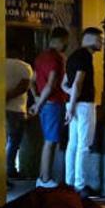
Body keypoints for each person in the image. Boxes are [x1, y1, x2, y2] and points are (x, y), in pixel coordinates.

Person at [62, 27, 103, 198]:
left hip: (73, 104)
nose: (102, 43)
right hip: (83, 105)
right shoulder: (85, 56)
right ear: (89, 39)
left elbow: (64, 84)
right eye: (100, 39)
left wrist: (71, 103)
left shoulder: (72, 56)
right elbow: (78, 83)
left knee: (73, 144)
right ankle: (80, 186)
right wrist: (72, 106)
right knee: (84, 146)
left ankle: (69, 183)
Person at [30, 26, 70, 188]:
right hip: (53, 103)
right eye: (66, 42)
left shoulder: (40, 57)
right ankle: (45, 179)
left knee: (48, 140)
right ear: (62, 41)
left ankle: (43, 176)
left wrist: (37, 98)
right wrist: (39, 103)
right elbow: (52, 83)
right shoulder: (56, 58)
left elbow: (32, 81)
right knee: (51, 141)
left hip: (45, 103)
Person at [5, 52, 33, 180]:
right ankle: (10, 170)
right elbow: (24, 87)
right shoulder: (24, 67)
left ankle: (2, 172)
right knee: (14, 142)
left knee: (2, 142)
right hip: (16, 109)